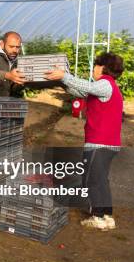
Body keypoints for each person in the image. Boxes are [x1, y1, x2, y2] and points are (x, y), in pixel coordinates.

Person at [45, 52, 124, 231]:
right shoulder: (108, 88)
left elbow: (86, 86)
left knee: (91, 181)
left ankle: (97, 217)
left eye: (95, 65)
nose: (93, 69)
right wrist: (61, 81)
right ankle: (107, 216)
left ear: (103, 67)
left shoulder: (105, 84)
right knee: (101, 180)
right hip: (109, 144)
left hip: (99, 143)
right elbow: (80, 90)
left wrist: (64, 76)